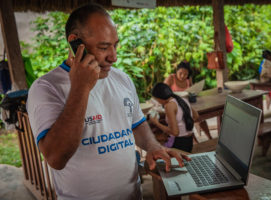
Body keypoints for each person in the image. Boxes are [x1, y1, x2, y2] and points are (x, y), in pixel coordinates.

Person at [26, 4, 190, 200]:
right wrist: (80, 88)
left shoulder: (122, 79)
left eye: (115, 45)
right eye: (104, 47)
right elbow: (55, 158)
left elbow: (137, 126)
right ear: (74, 42)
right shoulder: (46, 87)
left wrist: (154, 147)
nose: (114, 57)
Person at [164, 61, 212, 139]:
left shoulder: (188, 80)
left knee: (200, 118)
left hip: (187, 104)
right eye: (180, 73)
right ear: (176, 71)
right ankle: (194, 141)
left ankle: (209, 137)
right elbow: (162, 92)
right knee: (186, 120)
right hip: (175, 106)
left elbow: (191, 91)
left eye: (185, 74)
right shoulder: (171, 78)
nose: (183, 76)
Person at [149, 83, 199, 153]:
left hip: (179, 144)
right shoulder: (183, 99)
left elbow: (175, 132)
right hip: (189, 141)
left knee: (154, 143)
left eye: (156, 99)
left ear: (159, 97)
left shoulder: (169, 106)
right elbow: (196, 116)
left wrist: (156, 123)